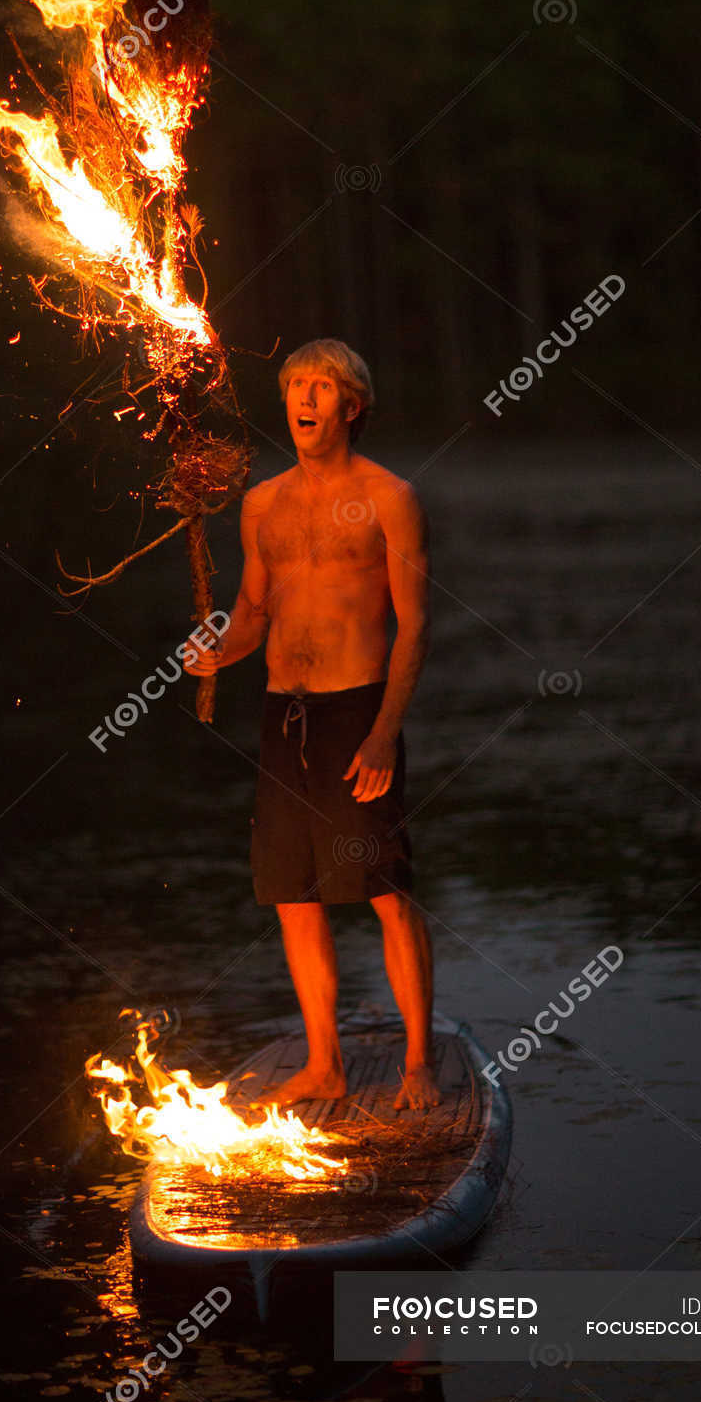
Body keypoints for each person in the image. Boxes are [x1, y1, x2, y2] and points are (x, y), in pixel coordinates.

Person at [186, 339, 440, 1110]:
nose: (304, 398)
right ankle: (324, 1063)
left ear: (351, 406)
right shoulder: (261, 503)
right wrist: (218, 653)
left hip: (355, 710)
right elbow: (254, 612)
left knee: (386, 890)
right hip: (281, 715)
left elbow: (415, 625)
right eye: (296, 384)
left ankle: (419, 1065)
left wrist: (382, 732)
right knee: (292, 894)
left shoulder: (391, 497)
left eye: (321, 387)